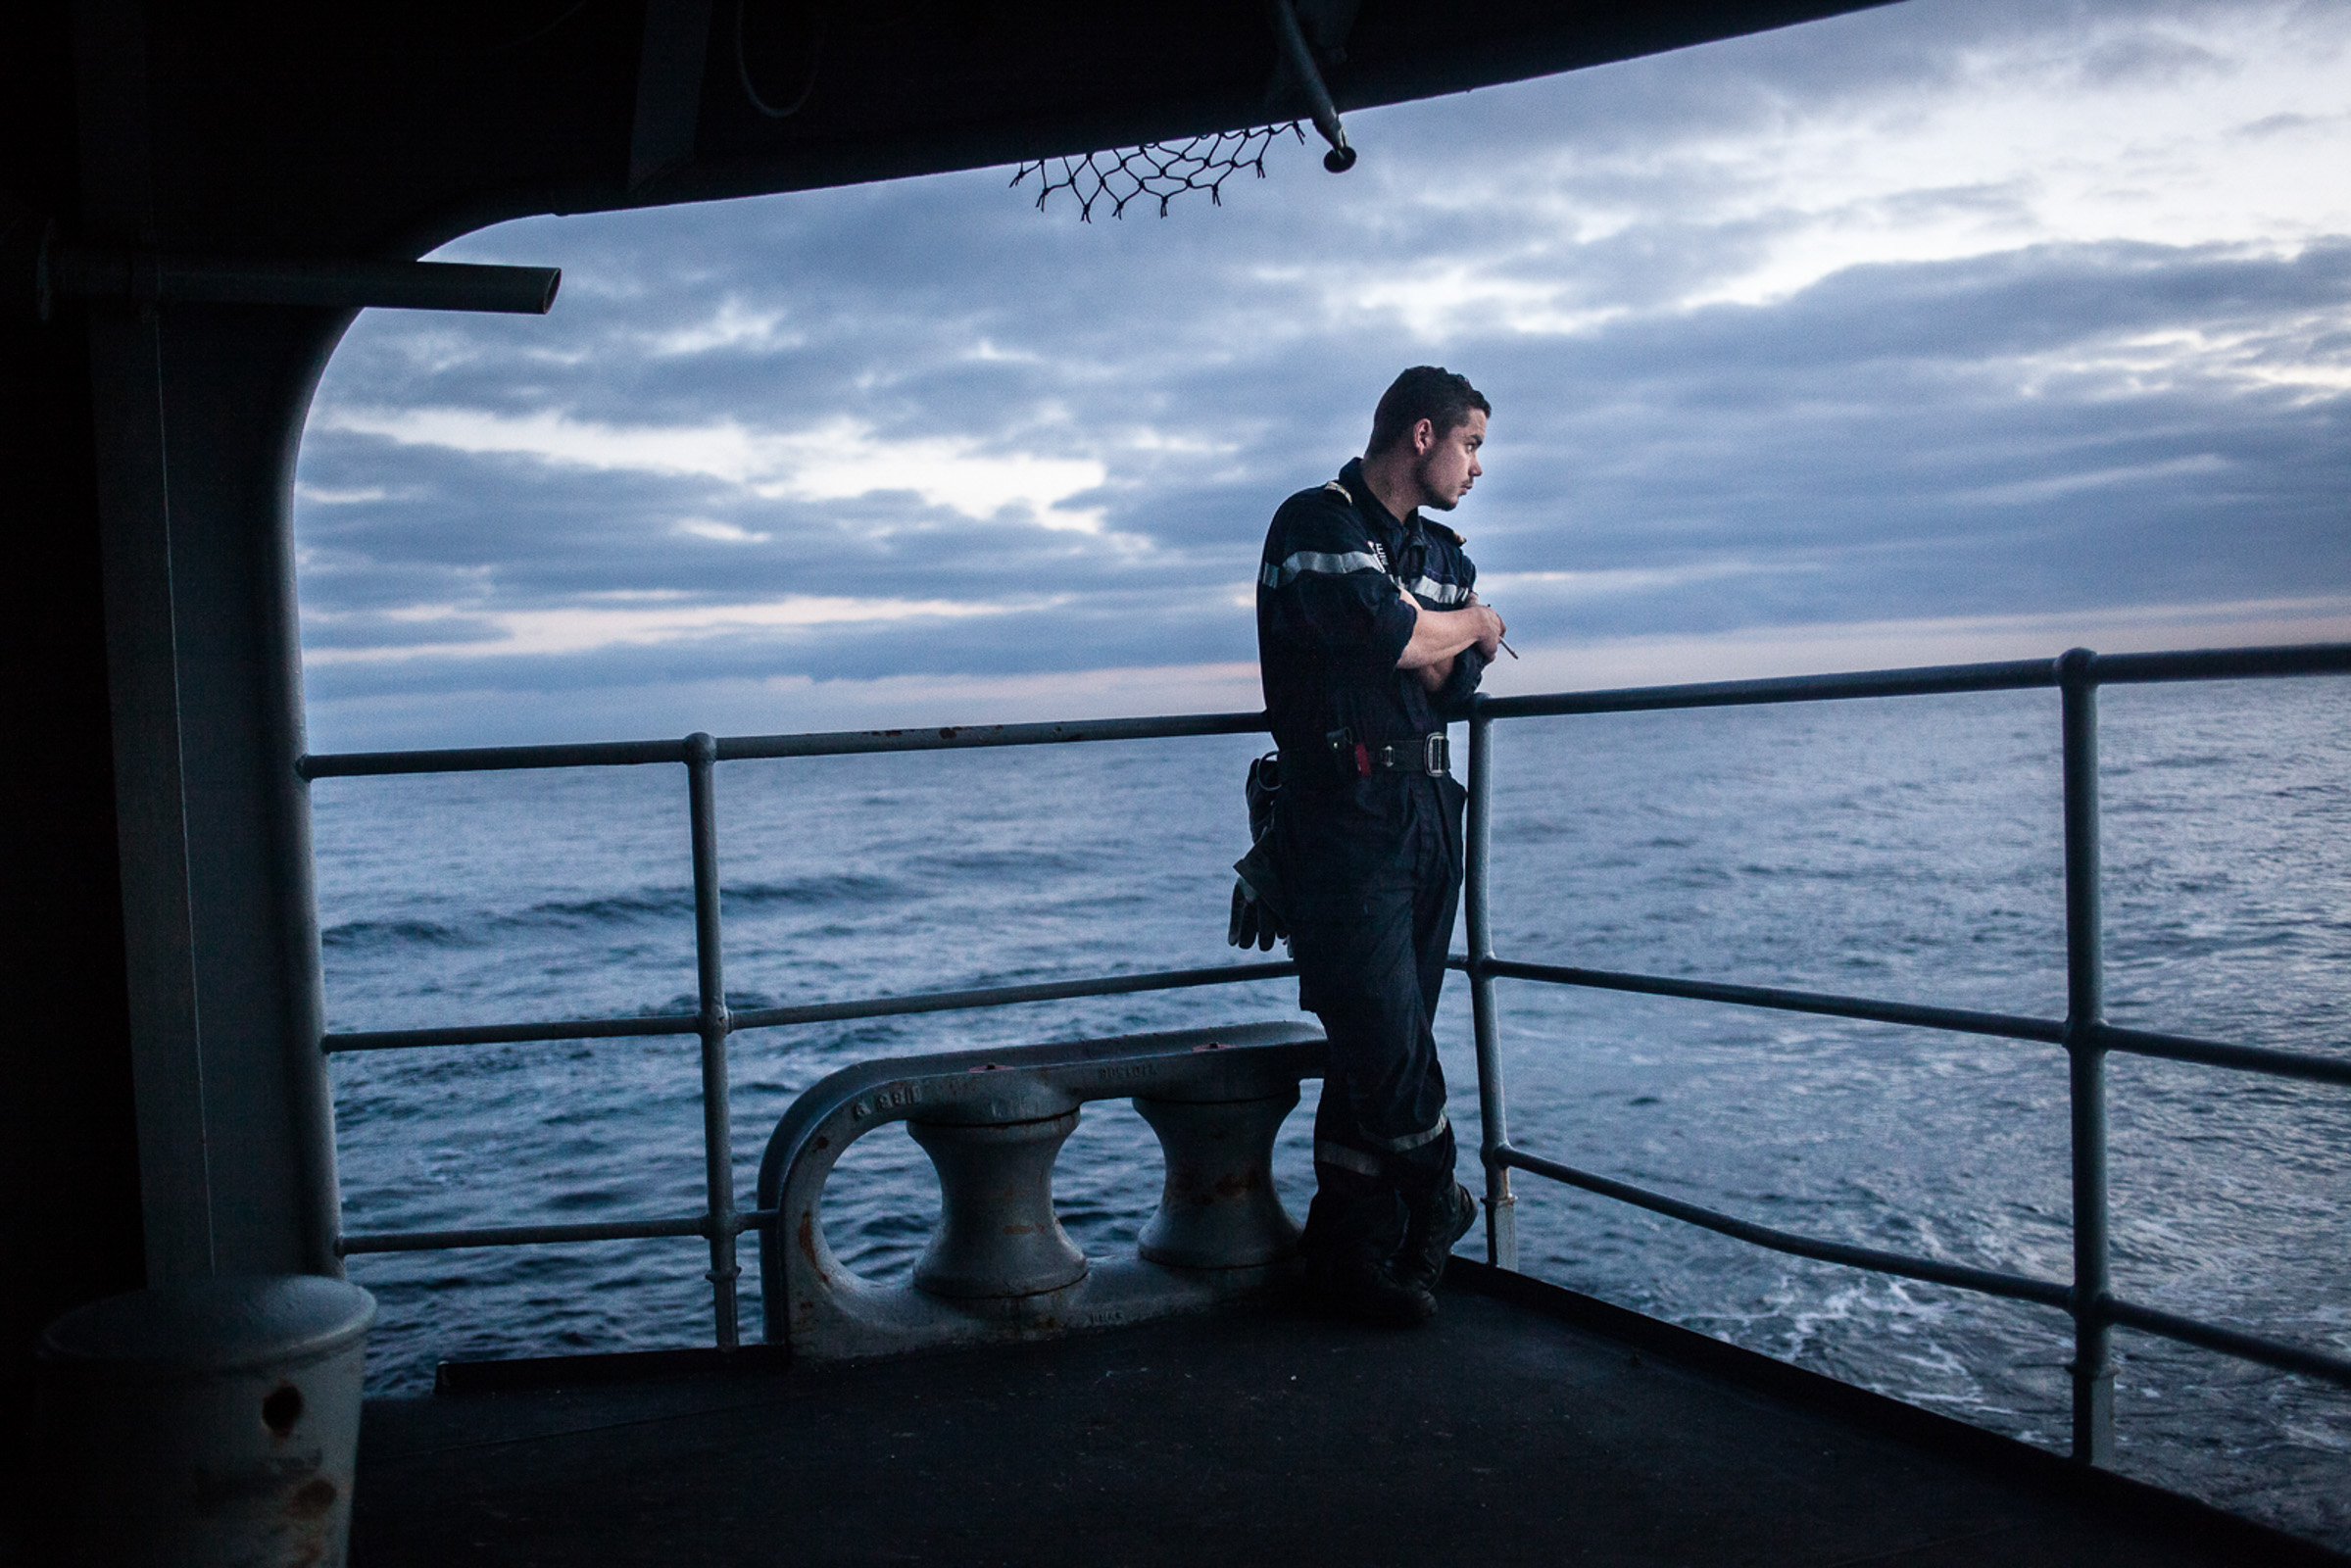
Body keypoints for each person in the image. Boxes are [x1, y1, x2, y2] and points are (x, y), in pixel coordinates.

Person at [1250, 366, 1506, 1326]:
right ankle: (1439, 1190)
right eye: (1471, 445)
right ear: (1421, 434)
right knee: (1384, 1033)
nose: (1476, 467)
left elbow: (1449, 686)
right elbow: (1388, 637)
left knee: (1382, 1047)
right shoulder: (1315, 523)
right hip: (1342, 807)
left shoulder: (1442, 555)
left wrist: (1446, 640)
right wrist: (1468, 627)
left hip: (1428, 806)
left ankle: (1350, 1256)